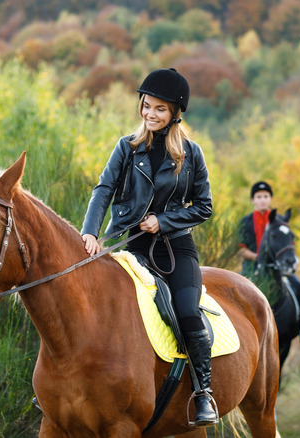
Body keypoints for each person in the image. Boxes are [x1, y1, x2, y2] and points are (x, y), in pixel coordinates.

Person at [81, 68, 218, 426]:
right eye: (146, 106)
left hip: (174, 249)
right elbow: (103, 190)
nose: (150, 114)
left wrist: (165, 221)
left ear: (175, 112)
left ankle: (203, 392)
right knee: (87, 308)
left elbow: (204, 206)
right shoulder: (126, 147)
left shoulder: (191, 154)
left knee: (187, 312)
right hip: (126, 245)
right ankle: (67, 383)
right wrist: (91, 233)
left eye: (159, 109)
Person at [238, 181, 300, 343]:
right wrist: (257, 257)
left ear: (270, 199)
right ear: (253, 200)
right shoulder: (245, 222)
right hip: (251, 269)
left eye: (265, 196)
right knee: (236, 293)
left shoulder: (280, 221)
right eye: (259, 197)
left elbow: (288, 245)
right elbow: (240, 249)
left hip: (277, 270)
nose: (262, 200)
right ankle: (235, 327)